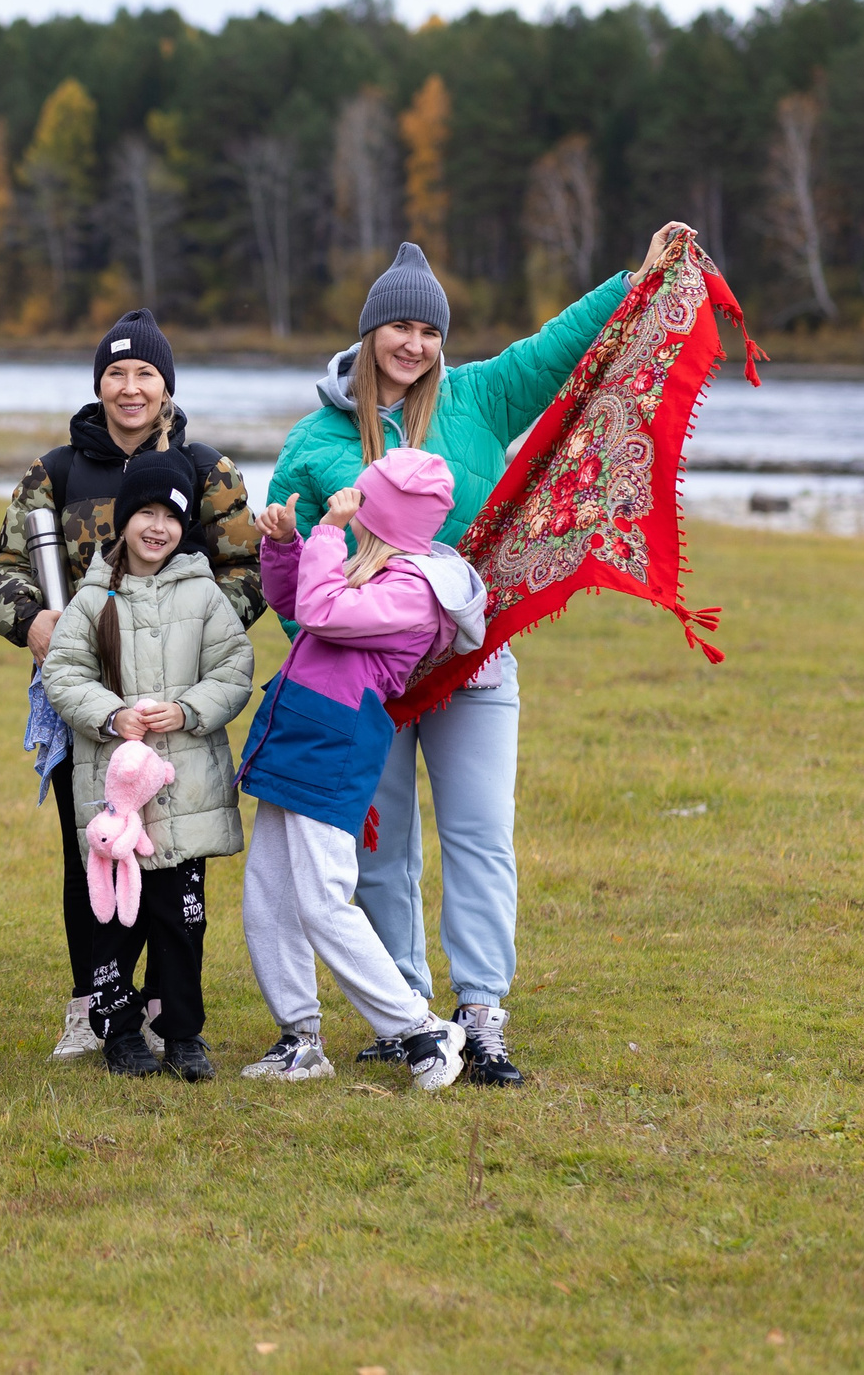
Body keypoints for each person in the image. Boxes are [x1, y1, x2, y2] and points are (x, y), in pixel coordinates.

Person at [265, 232, 671, 1083]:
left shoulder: (482, 397)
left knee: (480, 834)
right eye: (399, 327)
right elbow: (295, 574)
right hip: (366, 682)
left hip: (473, 668)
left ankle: (482, 1012)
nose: (414, 344)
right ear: (370, 331)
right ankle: (404, 1006)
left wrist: (633, 280)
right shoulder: (313, 438)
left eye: (430, 330)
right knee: (379, 847)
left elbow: (558, 346)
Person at [0, 308, 263, 1062]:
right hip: (88, 705)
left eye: (145, 373)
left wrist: (187, 648)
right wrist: (38, 623)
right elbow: (3, 574)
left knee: (175, 862)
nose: (130, 387)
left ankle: (172, 1014)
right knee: (95, 854)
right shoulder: (57, 470)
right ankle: (98, 1006)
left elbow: (245, 573)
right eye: (116, 372)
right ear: (99, 383)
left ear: (165, 384)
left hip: (176, 708)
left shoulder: (207, 469)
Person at [238, 449, 488, 1091]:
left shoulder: (412, 593)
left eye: (362, 500)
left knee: (323, 902)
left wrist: (324, 531)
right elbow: (297, 602)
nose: (351, 506)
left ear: (385, 514)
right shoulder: (371, 569)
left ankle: (421, 1029)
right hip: (299, 733)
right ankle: (300, 1038)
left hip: (335, 745)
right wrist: (289, 544)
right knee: (267, 899)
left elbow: (323, 613)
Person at [40, 452, 256, 1081]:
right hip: (117, 800)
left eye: (170, 515)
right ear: (125, 520)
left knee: (181, 920)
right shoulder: (92, 597)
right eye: (145, 513)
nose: (156, 527)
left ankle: (183, 1033)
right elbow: (63, 672)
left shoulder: (204, 595)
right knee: (112, 917)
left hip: (183, 793)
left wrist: (188, 711)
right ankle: (117, 1030)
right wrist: (111, 716)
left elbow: (233, 672)